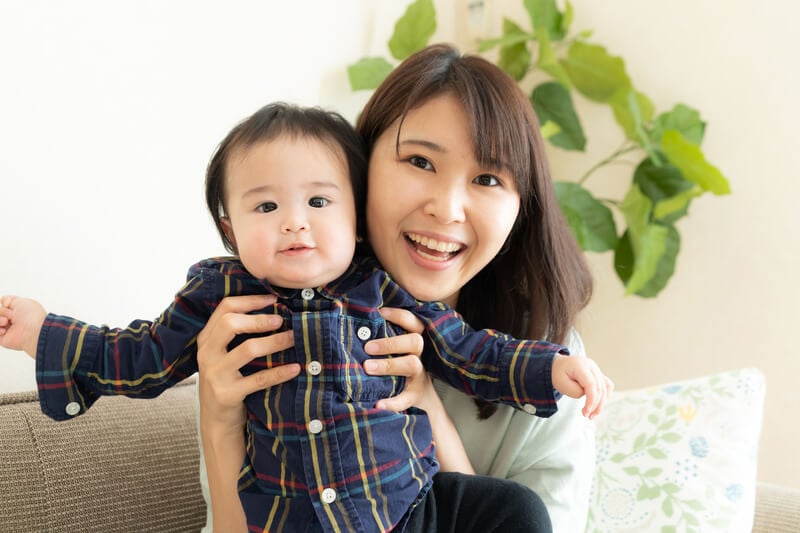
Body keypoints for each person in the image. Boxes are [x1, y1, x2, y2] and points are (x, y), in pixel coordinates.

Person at [0, 102, 611, 532]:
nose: (295, 221)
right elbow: (138, 355)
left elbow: (472, 350)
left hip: (409, 511)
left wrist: (553, 368)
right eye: (266, 206)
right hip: (294, 519)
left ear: (354, 215)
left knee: (516, 511)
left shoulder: (383, 290)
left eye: (318, 201)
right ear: (230, 231)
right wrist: (43, 332)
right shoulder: (220, 302)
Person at [196, 44, 606, 533]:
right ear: (360, 172)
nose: (446, 209)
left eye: (487, 178)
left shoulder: (548, 360)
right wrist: (218, 419)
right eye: (420, 161)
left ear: (521, 208)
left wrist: (426, 405)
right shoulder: (268, 329)